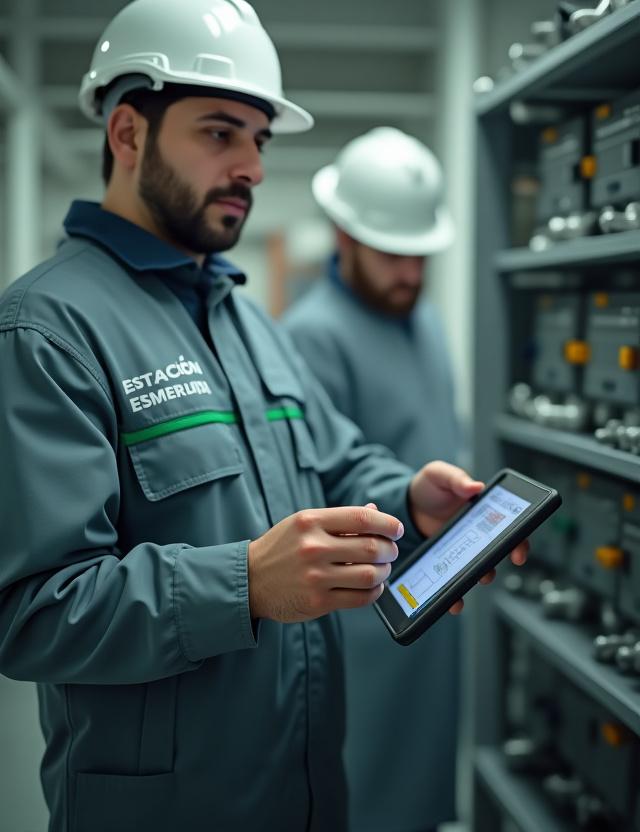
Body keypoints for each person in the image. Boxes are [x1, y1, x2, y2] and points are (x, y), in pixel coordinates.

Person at [0, 4, 526, 832]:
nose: (250, 165)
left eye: (259, 139)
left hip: (304, 791)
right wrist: (243, 585)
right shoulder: (48, 330)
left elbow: (337, 460)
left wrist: (409, 496)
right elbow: (30, 612)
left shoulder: (246, 321)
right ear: (128, 133)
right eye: (219, 133)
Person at [284, 128, 463, 832]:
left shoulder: (426, 321)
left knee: (422, 791)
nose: (410, 274)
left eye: (420, 255)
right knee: (365, 795)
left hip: (434, 601)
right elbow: (316, 493)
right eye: (393, 254)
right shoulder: (310, 336)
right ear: (344, 235)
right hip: (364, 622)